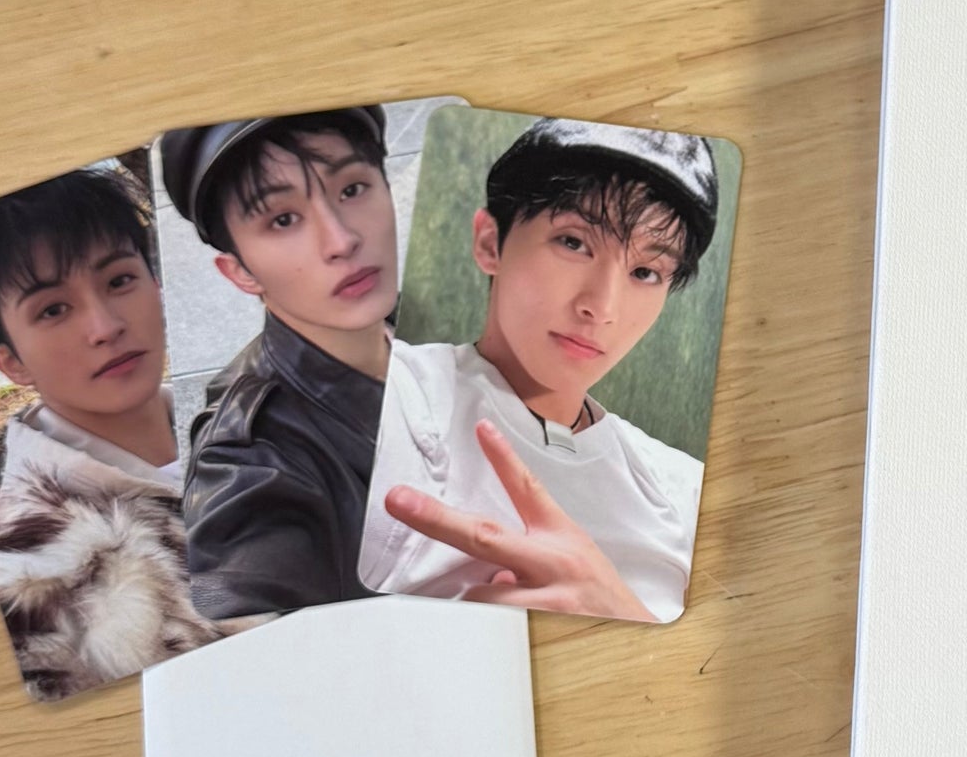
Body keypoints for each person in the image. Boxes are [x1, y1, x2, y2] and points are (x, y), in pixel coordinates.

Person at [357, 119, 719, 623]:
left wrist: (618, 610)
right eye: (573, 242)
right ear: (491, 243)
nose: (602, 307)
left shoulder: (687, 490)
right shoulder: (390, 399)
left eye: (645, 272)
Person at [0, 164, 221, 698]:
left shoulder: (268, 426)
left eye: (119, 281)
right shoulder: (28, 584)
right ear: (11, 363)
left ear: (157, 288)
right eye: (53, 310)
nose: (105, 326)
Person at [159, 107, 399, 619]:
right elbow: (244, 605)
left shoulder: (445, 325)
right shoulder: (249, 462)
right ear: (240, 272)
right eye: (283, 220)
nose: (342, 240)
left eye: (352, 189)